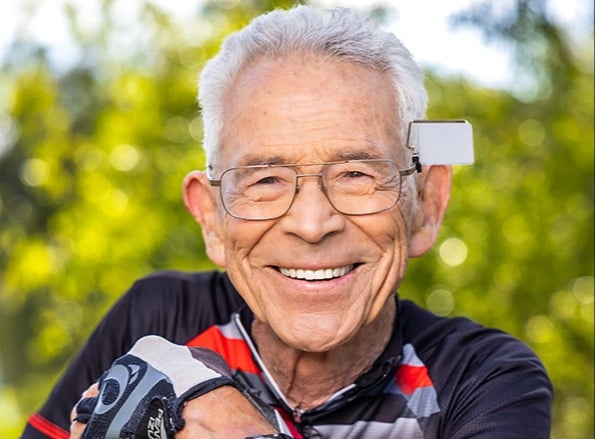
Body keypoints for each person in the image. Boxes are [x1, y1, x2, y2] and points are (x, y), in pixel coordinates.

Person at [21, 5, 552, 439]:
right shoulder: (157, 321)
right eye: (265, 180)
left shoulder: (486, 380)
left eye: (356, 174)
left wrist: (245, 433)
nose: (313, 223)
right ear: (210, 218)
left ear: (426, 205)